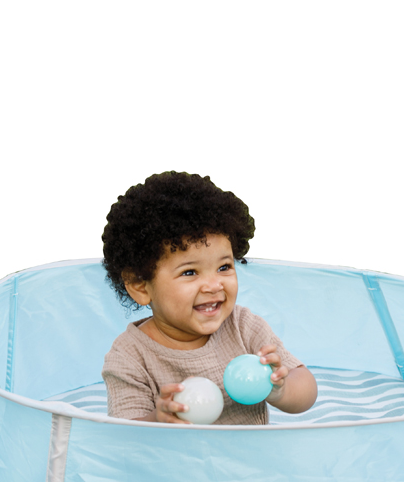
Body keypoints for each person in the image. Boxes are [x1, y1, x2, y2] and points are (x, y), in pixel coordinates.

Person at [101, 171, 318, 425]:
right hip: (171, 453)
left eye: (224, 267)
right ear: (140, 285)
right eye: (190, 272)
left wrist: (280, 389)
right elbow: (124, 434)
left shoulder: (243, 327)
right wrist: (158, 420)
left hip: (250, 451)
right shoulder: (129, 356)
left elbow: (307, 389)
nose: (214, 285)